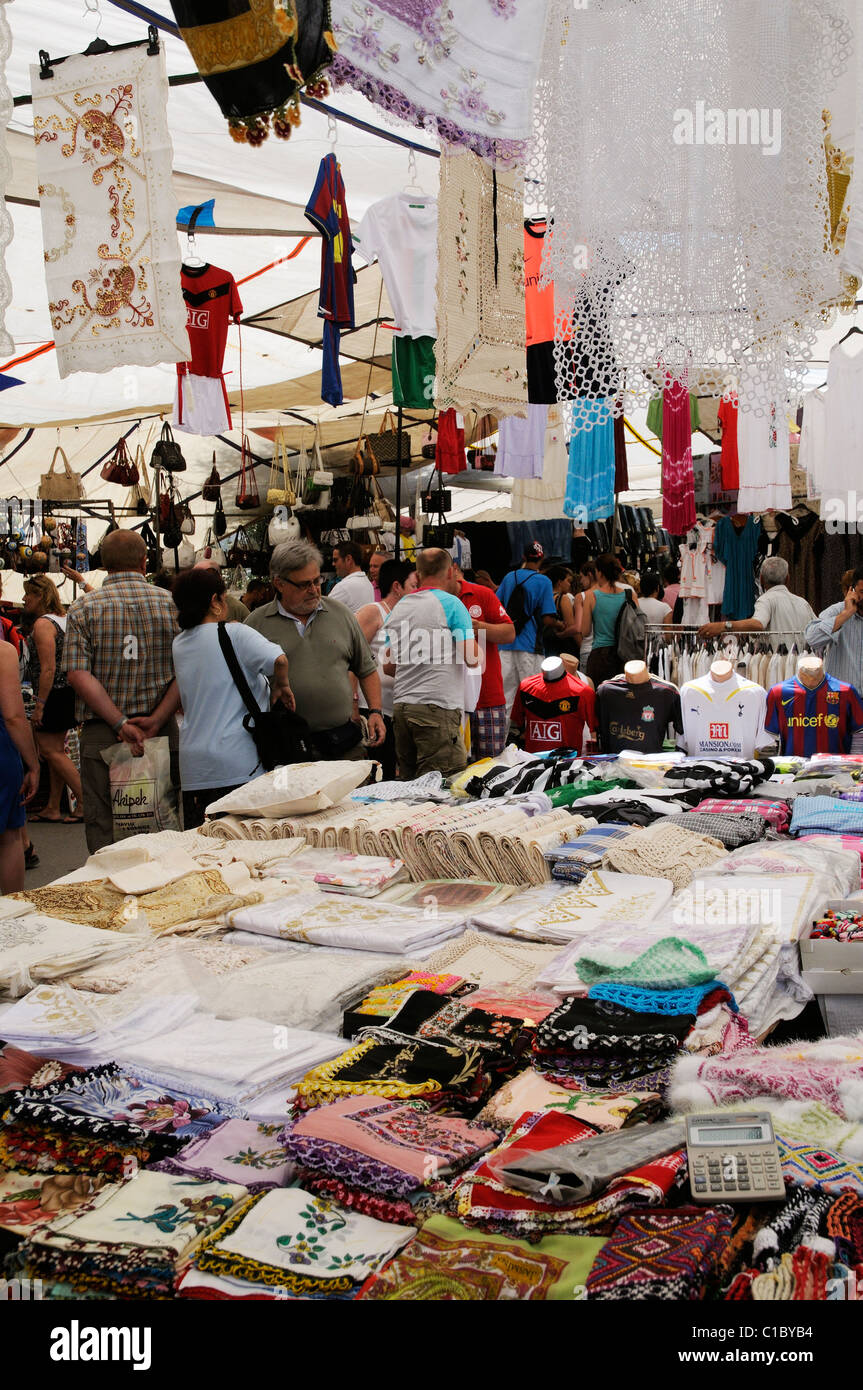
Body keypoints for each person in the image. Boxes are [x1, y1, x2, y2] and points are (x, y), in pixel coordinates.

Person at [63, 530, 179, 854]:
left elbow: (77, 673)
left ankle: (110, 896)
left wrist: (119, 723)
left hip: (104, 734)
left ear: (104, 563)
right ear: (145, 562)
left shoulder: (83, 608)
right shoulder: (171, 604)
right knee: (164, 824)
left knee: (104, 829)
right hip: (160, 731)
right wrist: (156, 720)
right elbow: (186, 671)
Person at [170, 567, 295, 829]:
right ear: (215, 601)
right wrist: (281, 686)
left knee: (204, 846)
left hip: (194, 767)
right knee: (245, 846)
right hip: (240, 763)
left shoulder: (179, 644)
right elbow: (279, 659)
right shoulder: (234, 633)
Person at [243, 540, 385, 758]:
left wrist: (375, 711)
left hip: (343, 742)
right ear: (279, 584)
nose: (313, 590)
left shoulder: (341, 614)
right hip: (286, 746)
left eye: (316, 581)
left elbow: (366, 668)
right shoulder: (256, 624)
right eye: (304, 584)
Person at [385, 547, 480, 780]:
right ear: (450, 572)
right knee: (444, 786)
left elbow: (388, 666)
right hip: (437, 707)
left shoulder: (400, 607)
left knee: (409, 786)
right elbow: (472, 658)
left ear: (417, 575)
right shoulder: (452, 604)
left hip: (402, 707)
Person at [21, 576, 82, 824]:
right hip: (67, 691)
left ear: (40, 596)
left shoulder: (43, 625)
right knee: (57, 750)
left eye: (29, 595)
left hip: (52, 693)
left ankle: (85, 801)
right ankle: (53, 807)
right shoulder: (64, 619)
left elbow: (47, 669)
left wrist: (40, 705)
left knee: (49, 750)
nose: (24, 599)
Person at [450, 560, 515, 760]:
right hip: (450, 702)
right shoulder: (431, 600)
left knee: (492, 768)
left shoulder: (481, 594)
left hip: (487, 698)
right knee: (456, 771)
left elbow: (509, 633)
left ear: (452, 569)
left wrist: (478, 627)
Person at [355, 559, 413, 780]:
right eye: (412, 586)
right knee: (376, 772)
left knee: (390, 771)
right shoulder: (374, 611)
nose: (416, 591)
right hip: (370, 707)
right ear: (397, 586)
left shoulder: (407, 615)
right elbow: (352, 656)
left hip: (395, 707)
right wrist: (353, 702)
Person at [699, 556, 816, 652]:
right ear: (787, 579)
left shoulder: (766, 600)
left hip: (781, 668)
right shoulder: (803, 603)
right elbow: (818, 629)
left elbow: (758, 624)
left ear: (761, 579)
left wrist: (722, 626)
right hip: (804, 669)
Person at [496, 542, 558, 714]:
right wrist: (560, 625)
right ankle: (532, 738)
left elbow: (497, 606)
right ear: (541, 558)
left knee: (505, 698)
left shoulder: (510, 577)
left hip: (506, 645)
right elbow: (547, 618)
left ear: (523, 557)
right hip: (530, 645)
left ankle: (502, 739)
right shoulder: (544, 581)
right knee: (534, 696)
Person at [0, 642, 39, 892]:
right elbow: (14, 716)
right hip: (1, 754)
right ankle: (11, 919)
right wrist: (33, 763)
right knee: (9, 837)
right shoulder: (3, 652)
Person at [805, 565, 863, 687]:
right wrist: (845, 615)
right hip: (842, 699)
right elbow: (811, 638)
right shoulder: (837, 611)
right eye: (862, 592)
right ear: (851, 590)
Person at [580, 553, 628, 686]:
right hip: (624, 655)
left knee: (598, 697)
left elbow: (584, 631)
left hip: (600, 655)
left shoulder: (591, 596)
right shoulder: (629, 595)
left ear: (600, 573)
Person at [328, 540, 374, 613]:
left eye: (335, 560)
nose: (333, 564)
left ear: (348, 559)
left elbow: (324, 616)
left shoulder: (343, 587)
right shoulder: (368, 583)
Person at [544, 565, 581, 656]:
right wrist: (581, 645)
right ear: (559, 582)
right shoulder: (563, 599)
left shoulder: (544, 598)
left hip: (546, 644)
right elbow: (571, 626)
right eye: (568, 581)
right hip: (564, 647)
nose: (569, 584)